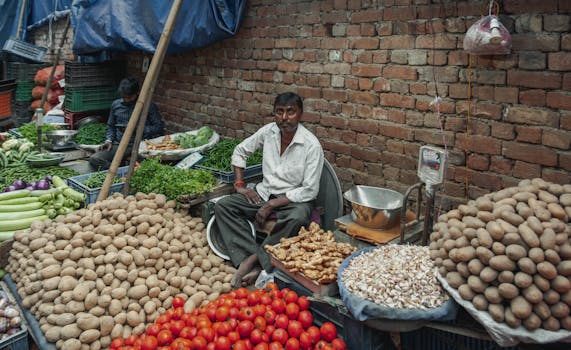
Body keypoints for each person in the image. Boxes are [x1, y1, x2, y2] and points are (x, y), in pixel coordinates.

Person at [214, 92, 324, 288]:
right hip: (264, 193)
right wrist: (240, 186)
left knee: (298, 218)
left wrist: (273, 204)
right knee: (224, 206)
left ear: (300, 114)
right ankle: (252, 258)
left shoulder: (311, 145)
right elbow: (240, 151)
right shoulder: (268, 132)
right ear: (274, 114)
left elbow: (310, 190)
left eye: (291, 112)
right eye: (279, 112)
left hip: (293, 200)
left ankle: (253, 262)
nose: (284, 118)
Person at [88, 77, 164, 170]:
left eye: (129, 97)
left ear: (137, 93)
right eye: (124, 97)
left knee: (147, 168)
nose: (126, 100)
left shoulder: (148, 106)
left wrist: (137, 129)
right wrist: (109, 140)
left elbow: (159, 127)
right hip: (119, 144)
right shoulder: (116, 105)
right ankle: (117, 172)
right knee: (95, 159)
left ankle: (123, 171)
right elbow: (111, 126)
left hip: (140, 145)